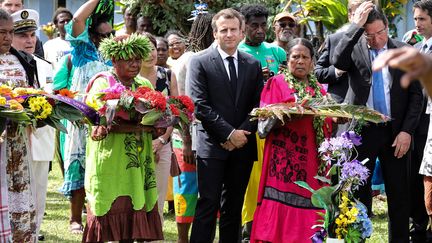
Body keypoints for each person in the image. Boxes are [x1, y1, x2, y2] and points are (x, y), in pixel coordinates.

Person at [332, 6, 424, 242]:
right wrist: (354, 28)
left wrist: (406, 132)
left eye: (380, 33)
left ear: (387, 26)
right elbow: (336, 61)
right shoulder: (355, 49)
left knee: (399, 195)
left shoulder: (404, 51)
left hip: (396, 132)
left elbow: (416, 97)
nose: (376, 39)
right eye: (369, 35)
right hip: (362, 131)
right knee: (357, 194)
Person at [188, 8, 264, 242]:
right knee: (208, 204)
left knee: (233, 206)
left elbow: (258, 105)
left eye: (234, 30)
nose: (229, 34)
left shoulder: (252, 64)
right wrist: (229, 133)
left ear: (242, 33)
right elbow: (199, 105)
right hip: (211, 144)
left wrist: (241, 134)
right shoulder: (199, 62)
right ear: (214, 33)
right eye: (224, 30)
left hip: (242, 145)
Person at [83, 34, 163, 243]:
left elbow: (156, 113)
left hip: (137, 158)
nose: (135, 64)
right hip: (111, 159)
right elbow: (94, 116)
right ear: (114, 60)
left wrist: (158, 124)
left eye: (138, 59)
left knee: (133, 210)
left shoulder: (143, 83)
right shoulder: (102, 82)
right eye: (129, 59)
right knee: (108, 208)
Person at [250, 38, 332, 242]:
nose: (300, 61)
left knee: (310, 208)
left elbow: (327, 125)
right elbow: (262, 127)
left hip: (312, 163)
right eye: (295, 57)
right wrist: (289, 113)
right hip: (283, 165)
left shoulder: (320, 91)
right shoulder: (275, 84)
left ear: (313, 62)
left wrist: (334, 118)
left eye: (305, 57)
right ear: (287, 60)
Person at [61, 0, 113, 234]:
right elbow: (78, 20)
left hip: (106, 118)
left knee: (102, 166)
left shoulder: (112, 56)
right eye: (101, 36)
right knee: (78, 164)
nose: (106, 40)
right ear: (90, 35)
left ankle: (98, 215)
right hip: (80, 117)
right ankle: (75, 218)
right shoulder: (81, 51)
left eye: (110, 35)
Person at [237, 4, 287, 241]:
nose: (259, 30)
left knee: (272, 177)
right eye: (254, 25)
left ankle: (271, 225)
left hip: (275, 125)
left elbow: (288, 83)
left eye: (263, 25)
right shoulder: (238, 50)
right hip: (248, 124)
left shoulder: (276, 52)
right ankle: (248, 227)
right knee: (251, 180)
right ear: (244, 26)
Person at [11, 8, 56, 241]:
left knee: (38, 194)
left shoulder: (45, 65)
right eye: (22, 35)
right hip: (13, 140)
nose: (29, 40)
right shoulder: (4, 65)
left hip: (40, 139)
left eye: (31, 35)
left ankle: (34, 235)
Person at [170, 12, 214, 243]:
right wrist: (187, 141)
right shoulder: (188, 60)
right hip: (187, 136)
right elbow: (181, 105)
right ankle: (182, 239)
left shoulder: (212, 57)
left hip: (209, 136)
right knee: (186, 188)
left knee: (207, 189)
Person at [0, 8, 39, 242]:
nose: (6, 37)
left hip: (16, 140)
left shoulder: (23, 60)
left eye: (9, 32)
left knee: (18, 189)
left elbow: (33, 95)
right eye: (1, 32)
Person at [138, 32, 179, 225]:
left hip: (162, 144)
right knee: (136, 195)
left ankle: (154, 236)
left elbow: (175, 111)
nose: (150, 54)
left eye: (153, 49)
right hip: (135, 144)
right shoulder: (130, 77)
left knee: (158, 195)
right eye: (144, 49)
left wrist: (162, 140)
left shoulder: (168, 74)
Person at [315, 0, 368, 103]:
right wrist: (337, 71)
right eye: (359, 14)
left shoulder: (376, 39)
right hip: (340, 107)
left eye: (366, 14)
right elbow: (318, 73)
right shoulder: (334, 40)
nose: (363, 18)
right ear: (350, 16)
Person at [412, 1, 432, 242]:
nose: (417, 23)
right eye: (415, 19)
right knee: (417, 174)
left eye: (422, 19)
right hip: (417, 121)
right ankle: (420, 225)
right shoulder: (417, 48)